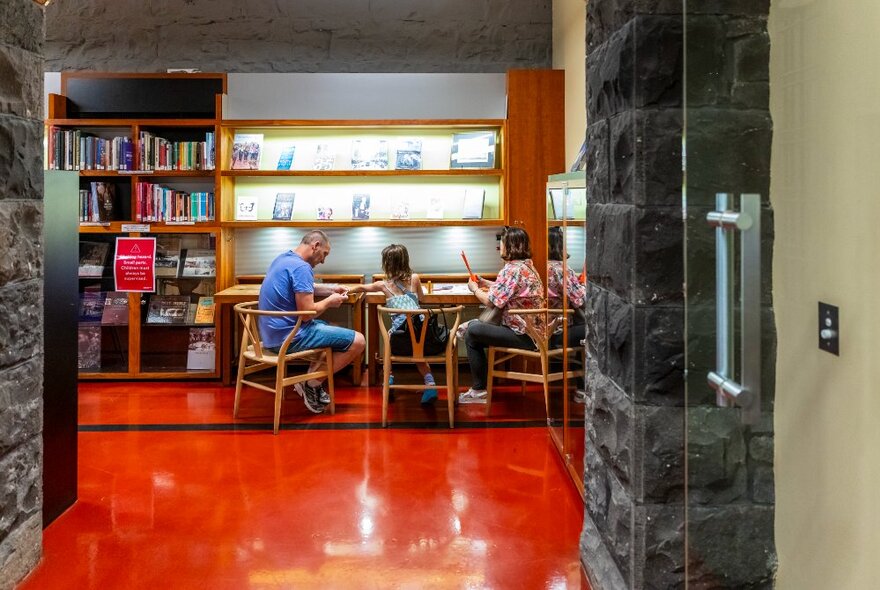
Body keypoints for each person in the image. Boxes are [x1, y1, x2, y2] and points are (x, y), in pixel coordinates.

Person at [258, 230, 366, 413]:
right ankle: (310, 383)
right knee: (358, 341)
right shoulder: (302, 268)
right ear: (315, 245)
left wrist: (331, 289)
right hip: (289, 338)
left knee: (330, 329)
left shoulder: (284, 259)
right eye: (324, 254)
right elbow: (307, 314)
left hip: (271, 335)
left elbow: (306, 287)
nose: (323, 260)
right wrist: (330, 302)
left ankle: (311, 384)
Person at [460, 226, 545, 403]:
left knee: (472, 332)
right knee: (474, 328)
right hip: (535, 333)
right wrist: (487, 283)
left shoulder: (511, 269)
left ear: (509, 245)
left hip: (523, 335)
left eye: (502, 242)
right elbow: (509, 289)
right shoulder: (526, 266)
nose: (500, 246)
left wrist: (475, 288)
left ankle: (479, 390)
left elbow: (491, 302)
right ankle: (479, 388)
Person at [349, 244, 439, 404]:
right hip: (422, 337)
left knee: (388, 338)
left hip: (399, 340)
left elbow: (363, 287)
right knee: (419, 354)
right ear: (406, 261)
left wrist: (347, 291)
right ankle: (430, 384)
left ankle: (388, 379)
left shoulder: (383, 285)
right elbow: (423, 299)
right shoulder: (415, 279)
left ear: (386, 264)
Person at [547, 226, 587, 402]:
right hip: (558, 332)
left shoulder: (532, 267)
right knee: (591, 330)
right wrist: (583, 286)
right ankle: (583, 388)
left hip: (535, 332)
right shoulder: (562, 270)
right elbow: (580, 301)